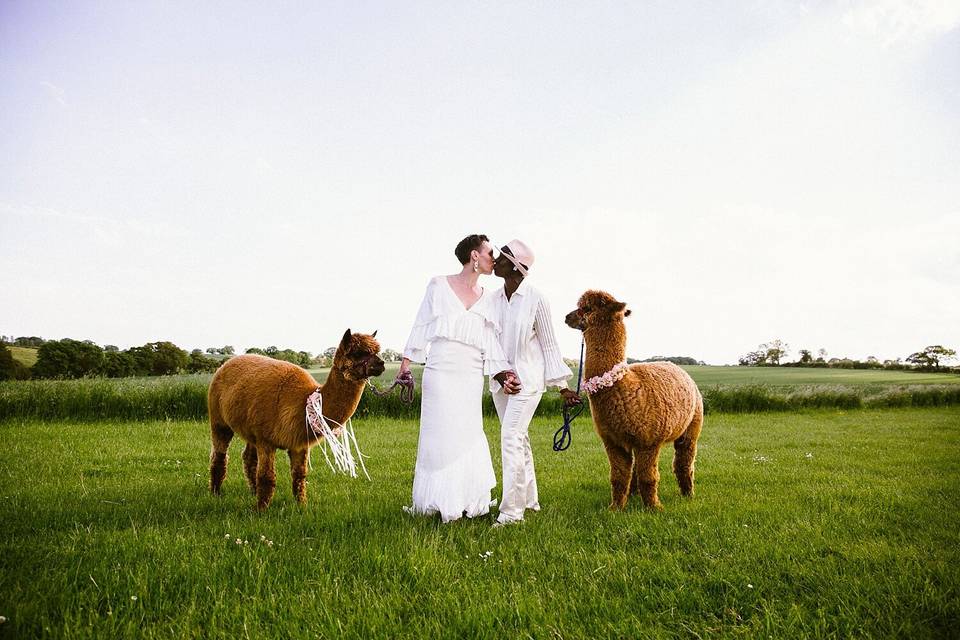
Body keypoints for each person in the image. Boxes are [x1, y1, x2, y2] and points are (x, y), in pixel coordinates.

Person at [398, 234, 520, 523]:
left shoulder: (489, 299)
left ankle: (466, 499)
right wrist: (405, 364)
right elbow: (421, 325)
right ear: (475, 256)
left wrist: (502, 373)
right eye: (491, 252)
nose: (495, 258)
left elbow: (490, 341)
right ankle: (438, 501)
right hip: (440, 371)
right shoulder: (438, 285)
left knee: (467, 433)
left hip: (470, 374)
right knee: (439, 437)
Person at [490, 239, 581, 526]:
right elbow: (488, 343)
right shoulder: (491, 300)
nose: (495, 258)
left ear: (515, 265)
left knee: (510, 438)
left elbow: (549, 344)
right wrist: (500, 375)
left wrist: (563, 387)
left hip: (527, 384)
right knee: (520, 439)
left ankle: (511, 513)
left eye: (502, 255)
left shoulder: (536, 299)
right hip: (501, 384)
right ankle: (529, 500)